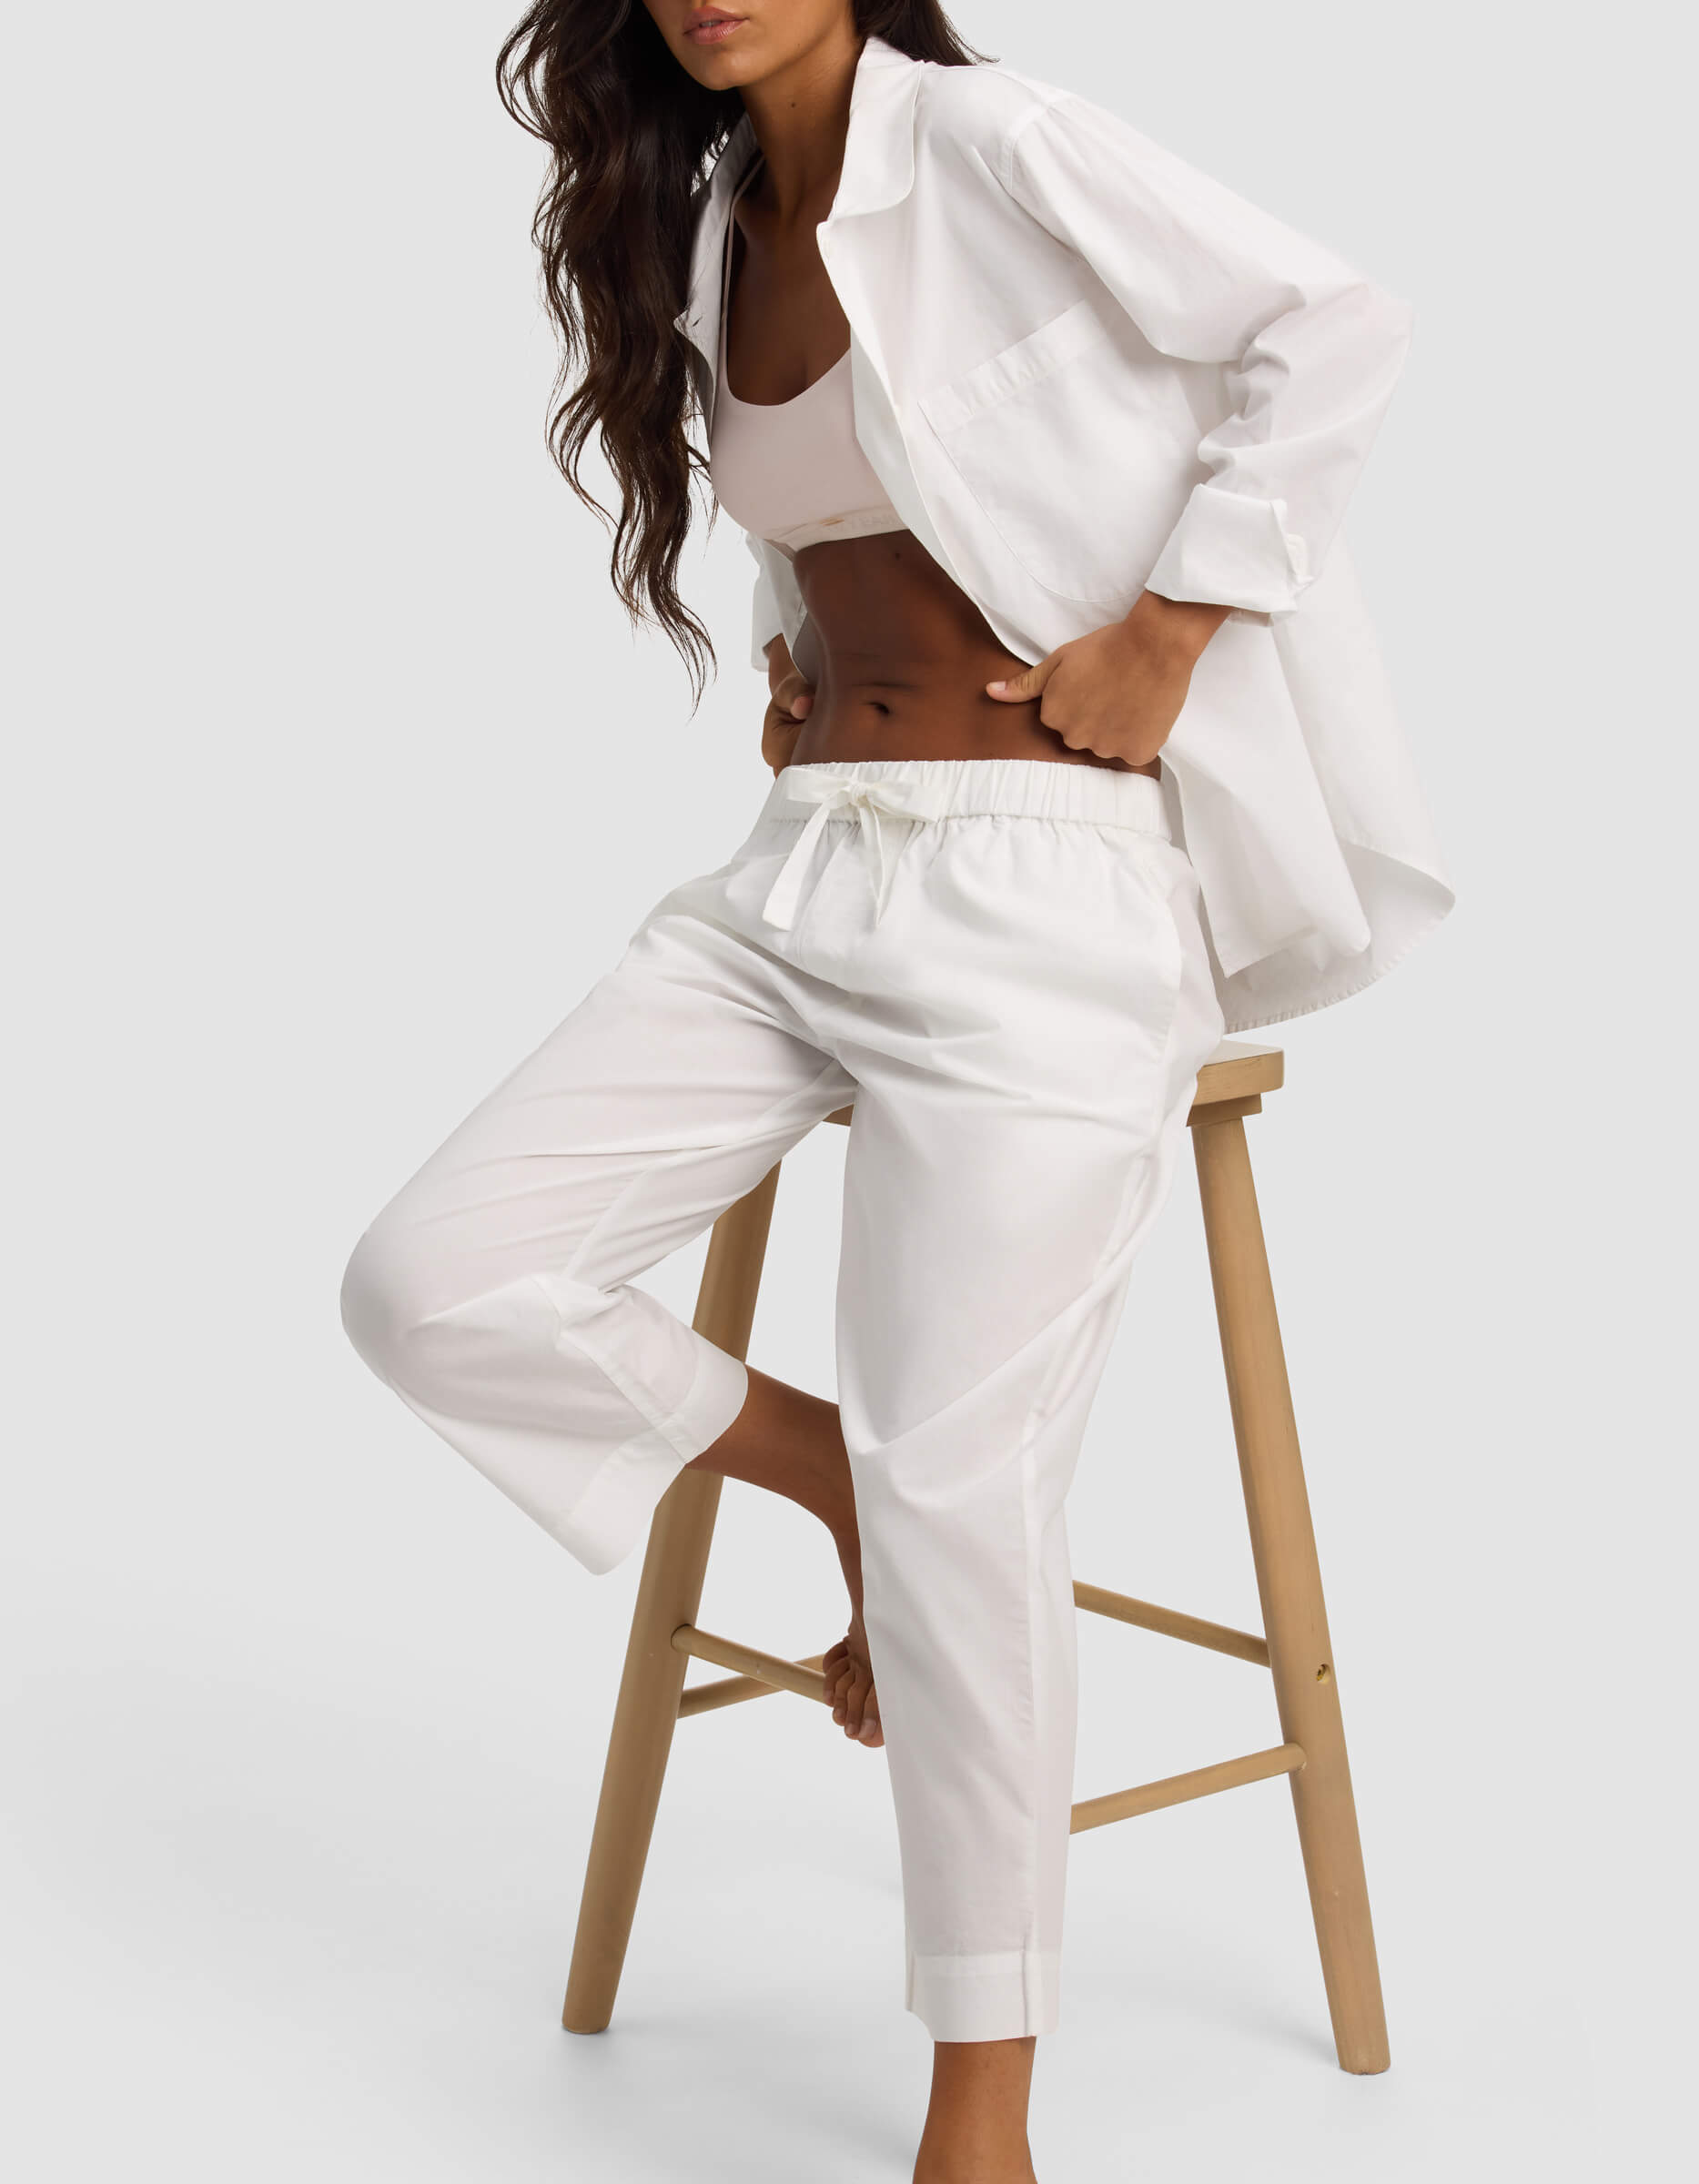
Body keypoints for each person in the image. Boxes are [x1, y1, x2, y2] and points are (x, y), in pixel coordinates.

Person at [339, 5, 1451, 2177]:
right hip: (799, 878)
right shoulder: (715, 219)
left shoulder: (998, 143)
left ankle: (981, 2109)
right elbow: (864, 500)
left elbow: (1331, 320)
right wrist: (796, 666)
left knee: (974, 1499)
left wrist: (1175, 624)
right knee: (428, 1280)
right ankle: (832, 1473)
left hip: (1047, 896)